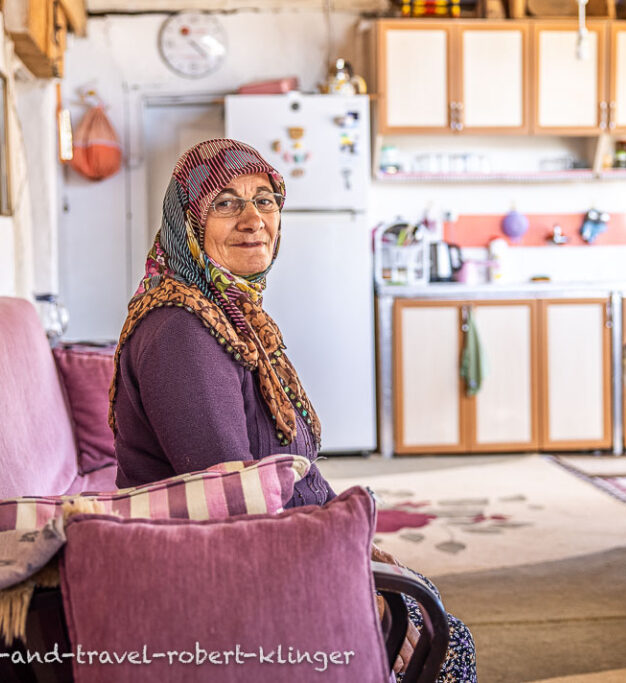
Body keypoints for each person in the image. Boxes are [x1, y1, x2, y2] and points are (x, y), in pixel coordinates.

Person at [109, 138, 475, 681]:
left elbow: (287, 473)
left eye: (265, 199)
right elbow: (233, 510)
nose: (253, 218)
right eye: (226, 203)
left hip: (285, 548)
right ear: (189, 221)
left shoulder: (230, 313)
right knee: (442, 645)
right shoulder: (181, 332)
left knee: (436, 621)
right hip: (220, 577)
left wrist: (357, 548)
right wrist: (349, 584)